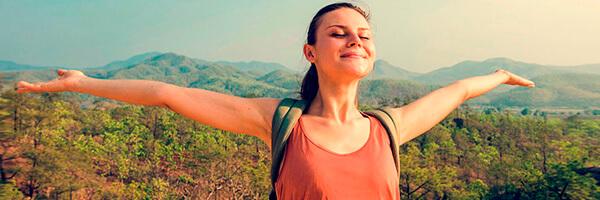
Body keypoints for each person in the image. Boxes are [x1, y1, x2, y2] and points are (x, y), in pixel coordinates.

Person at [16, 2, 535, 199]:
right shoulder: (281, 121)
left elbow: (457, 90)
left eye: (364, 34)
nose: (355, 39)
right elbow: (165, 93)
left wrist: (497, 74)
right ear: (311, 51)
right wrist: (80, 83)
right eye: (338, 33)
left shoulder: (388, 128)